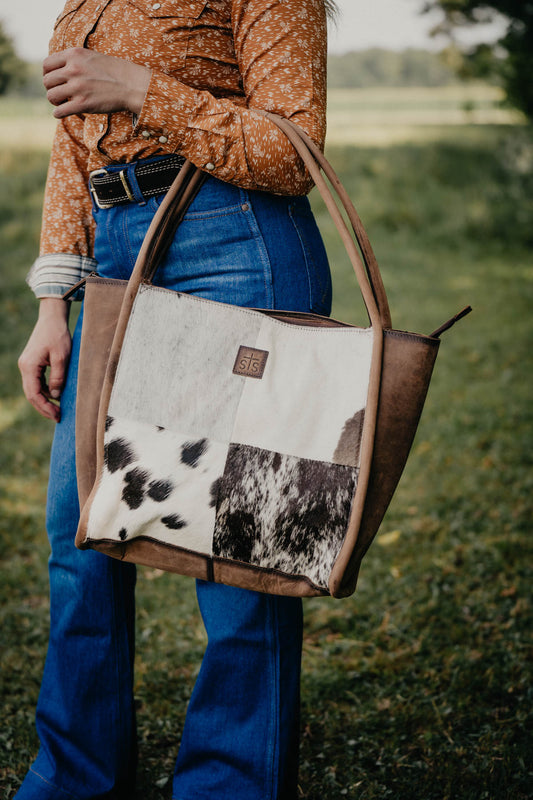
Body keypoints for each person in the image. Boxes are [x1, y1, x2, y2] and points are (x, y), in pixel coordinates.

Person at [17, 1, 335, 798]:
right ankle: (72, 777)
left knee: (239, 551)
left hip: (236, 242)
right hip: (117, 253)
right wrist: (55, 301)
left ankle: (229, 785)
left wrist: (138, 85)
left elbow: (292, 151)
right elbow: (71, 142)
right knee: (79, 530)